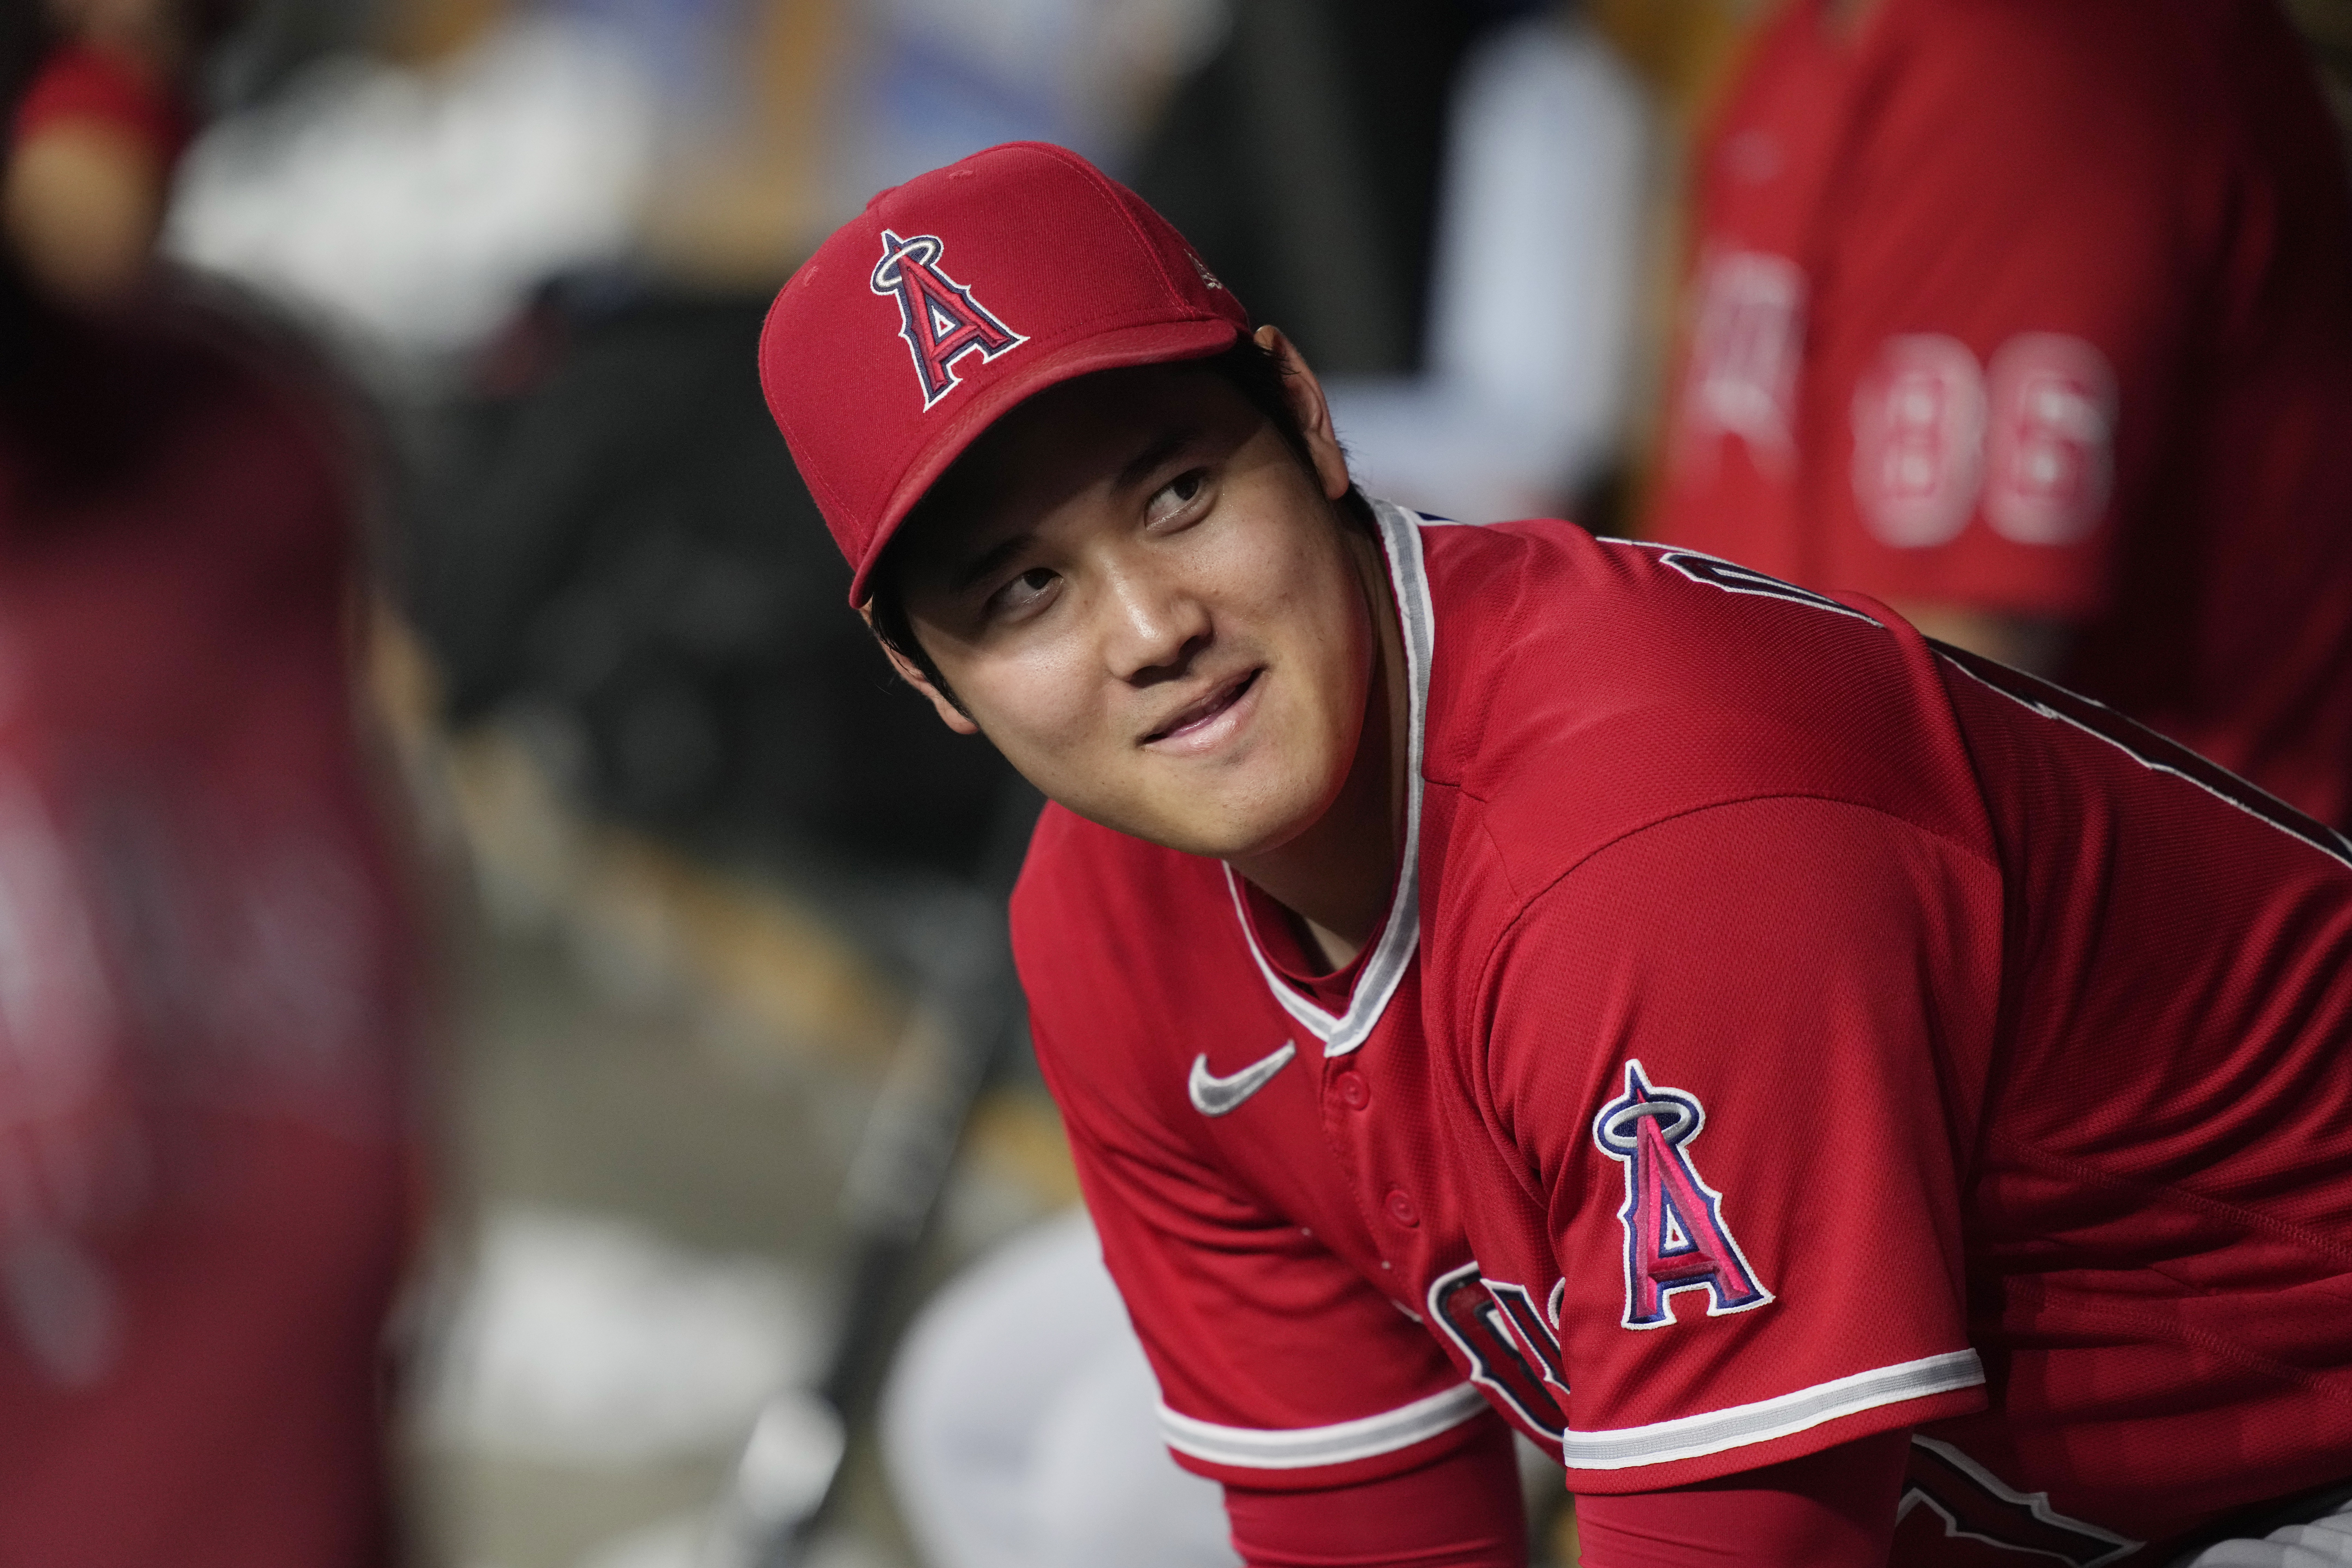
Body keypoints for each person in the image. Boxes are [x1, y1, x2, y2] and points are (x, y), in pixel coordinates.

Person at [755, 142, 2352, 1568]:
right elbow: (1367, 1539)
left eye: (1178, 494)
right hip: (2069, 1499)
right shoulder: (1108, 925)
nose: (1153, 629)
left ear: (1305, 418)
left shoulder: (1660, 832)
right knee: (1033, 1437)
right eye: (1023, 592)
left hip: (2303, 1478)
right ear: (926, 677)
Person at [1646, 0, 2352, 827]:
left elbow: (1923, 737)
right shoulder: (1813, 36)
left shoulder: (2030, 58)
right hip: (1772, 810)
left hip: (2143, 890)